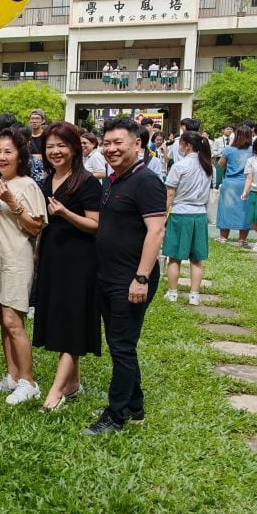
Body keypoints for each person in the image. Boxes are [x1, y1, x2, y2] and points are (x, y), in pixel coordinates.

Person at [85, 117, 166, 436]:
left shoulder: (146, 181)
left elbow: (156, 230)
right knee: (119, 343)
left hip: (132, 278)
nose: (111, 148)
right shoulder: (113, 178)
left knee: (122, 345)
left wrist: (142, 278)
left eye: (118, 142)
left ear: (137, 144)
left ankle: (115, 416)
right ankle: (135, 406)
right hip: (108, 274)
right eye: (106, 143)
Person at [32, 122, 102, 410]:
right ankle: (73, 384)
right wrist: (38, 252)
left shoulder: (86, 182)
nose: (55, 152)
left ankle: (57, 391)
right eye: (50, 147)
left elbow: (95, 225)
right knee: (60, 316)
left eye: (61, 146)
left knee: (73, 320)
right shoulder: (48, 181)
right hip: (52, 256)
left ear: (75, 148)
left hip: (79, 260)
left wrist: (65, 212)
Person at [0, 129, 47, 405]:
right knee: (3, 320)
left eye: (8, 151)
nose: (1, 156)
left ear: (20, 155)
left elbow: (35, 227)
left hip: (16, 258)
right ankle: (11, 375)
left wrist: (13, 203)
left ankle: (28, 381)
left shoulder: (27, 185)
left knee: (14, 321)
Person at [163, 132, 213, 305]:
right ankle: (194, 295)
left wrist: (163, 214)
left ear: (187, 145)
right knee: (197, 258)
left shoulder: (179, 166)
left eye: (180, 144)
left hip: (180, 213)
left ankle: (172, 292)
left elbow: (170, 192)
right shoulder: (207, 166)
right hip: (199, 214)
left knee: (174, 256)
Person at [216, 124, 254, 245]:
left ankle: (223, 237)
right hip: (247, 183)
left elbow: (221, 165)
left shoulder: (228, 149)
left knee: (226, 209)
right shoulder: (253, 150)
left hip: (230, 183)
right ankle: (242, 239)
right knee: (245, 211)